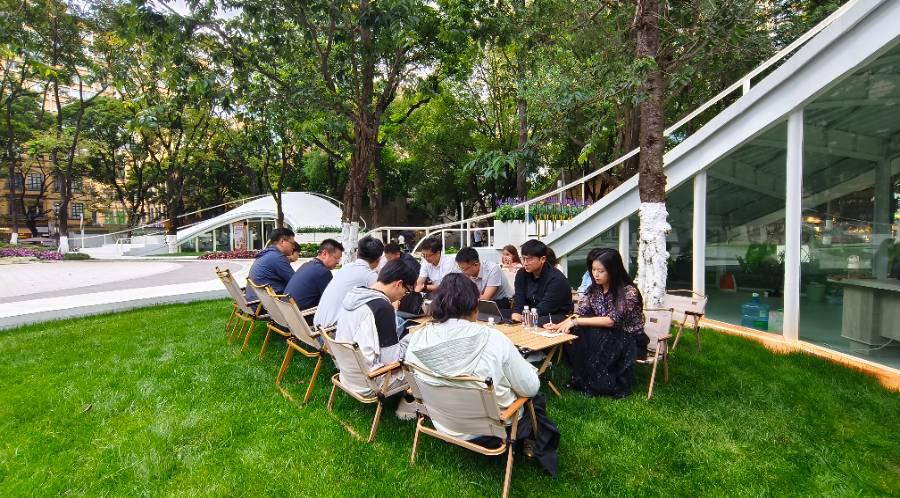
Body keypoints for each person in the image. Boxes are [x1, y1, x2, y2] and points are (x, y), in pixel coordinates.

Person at [404, 273, 560, 476]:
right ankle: (533, 444)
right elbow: (530, 388)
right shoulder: (493, 340)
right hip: (492, 431)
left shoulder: (417, 339)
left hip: (441, 420)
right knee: (534, 395)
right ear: (474, 305)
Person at [545, 248, 647, 398]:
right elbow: (581, 312)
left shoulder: (628, 292)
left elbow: (612, 321)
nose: (596, 274)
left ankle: (601, 383)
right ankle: (584, 378)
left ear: (613, 270)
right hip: (606, 334)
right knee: (578, 332)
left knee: (590, 332)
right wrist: (560, 325)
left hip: (630, 339)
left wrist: (576, 322)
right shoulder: (594, 289)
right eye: (593, 269)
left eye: (601, 271)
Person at [335, 259, 420, 418]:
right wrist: (414, 337)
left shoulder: (354, 295)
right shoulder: (382, 308)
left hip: (347, 374)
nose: (403, 297)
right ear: (399, 284)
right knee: (422, 360)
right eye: (407, 291)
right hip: (370, 383)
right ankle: (409, 408)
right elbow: (392, 362)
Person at [314, 236, 384, 328]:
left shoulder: (346, 268)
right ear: (379, 259)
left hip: (318, 327)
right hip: (333, 331)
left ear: (357, 253)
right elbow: (384, 300)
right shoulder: (370, 276)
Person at [510, 239, 573, 324]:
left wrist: (525, 319)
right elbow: (519, 299)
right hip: (529, 313)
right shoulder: (522, 273)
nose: (525, 263)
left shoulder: (556, 279)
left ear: (542, 259)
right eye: (523, 258)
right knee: (502, 314)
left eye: (529, 259)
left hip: (554, 315)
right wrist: (516, 315)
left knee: (538, 321)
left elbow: (545, 307)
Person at [284, 239, 344, 311]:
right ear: (324, 254)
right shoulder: (323, 272)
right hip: (303, 315)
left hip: (288, 312)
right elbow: (332, 301)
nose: (338, 262)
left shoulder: (306, 265)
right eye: (336, 258)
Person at [245, 227, 296, 302]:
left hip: (256, 301)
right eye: (292, 243)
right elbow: (295, 281)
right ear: (282, 241)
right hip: (266, 304)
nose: (294, 247)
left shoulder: (267, 254)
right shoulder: (277, 257)